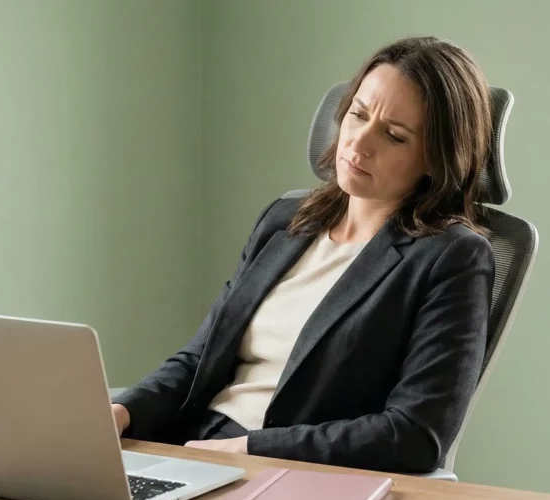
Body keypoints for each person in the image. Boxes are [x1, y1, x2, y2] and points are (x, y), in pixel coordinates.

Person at [112, 36, 495, 474]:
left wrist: (252, 449)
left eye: (393, 136)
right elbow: (199, 361)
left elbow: (415, 434)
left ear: (436, 157)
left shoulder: (453, 258)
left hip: (289, 471)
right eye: (358, 114)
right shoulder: (285, 220)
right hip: (193, 446)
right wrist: (122, 412)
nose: (360, 142)